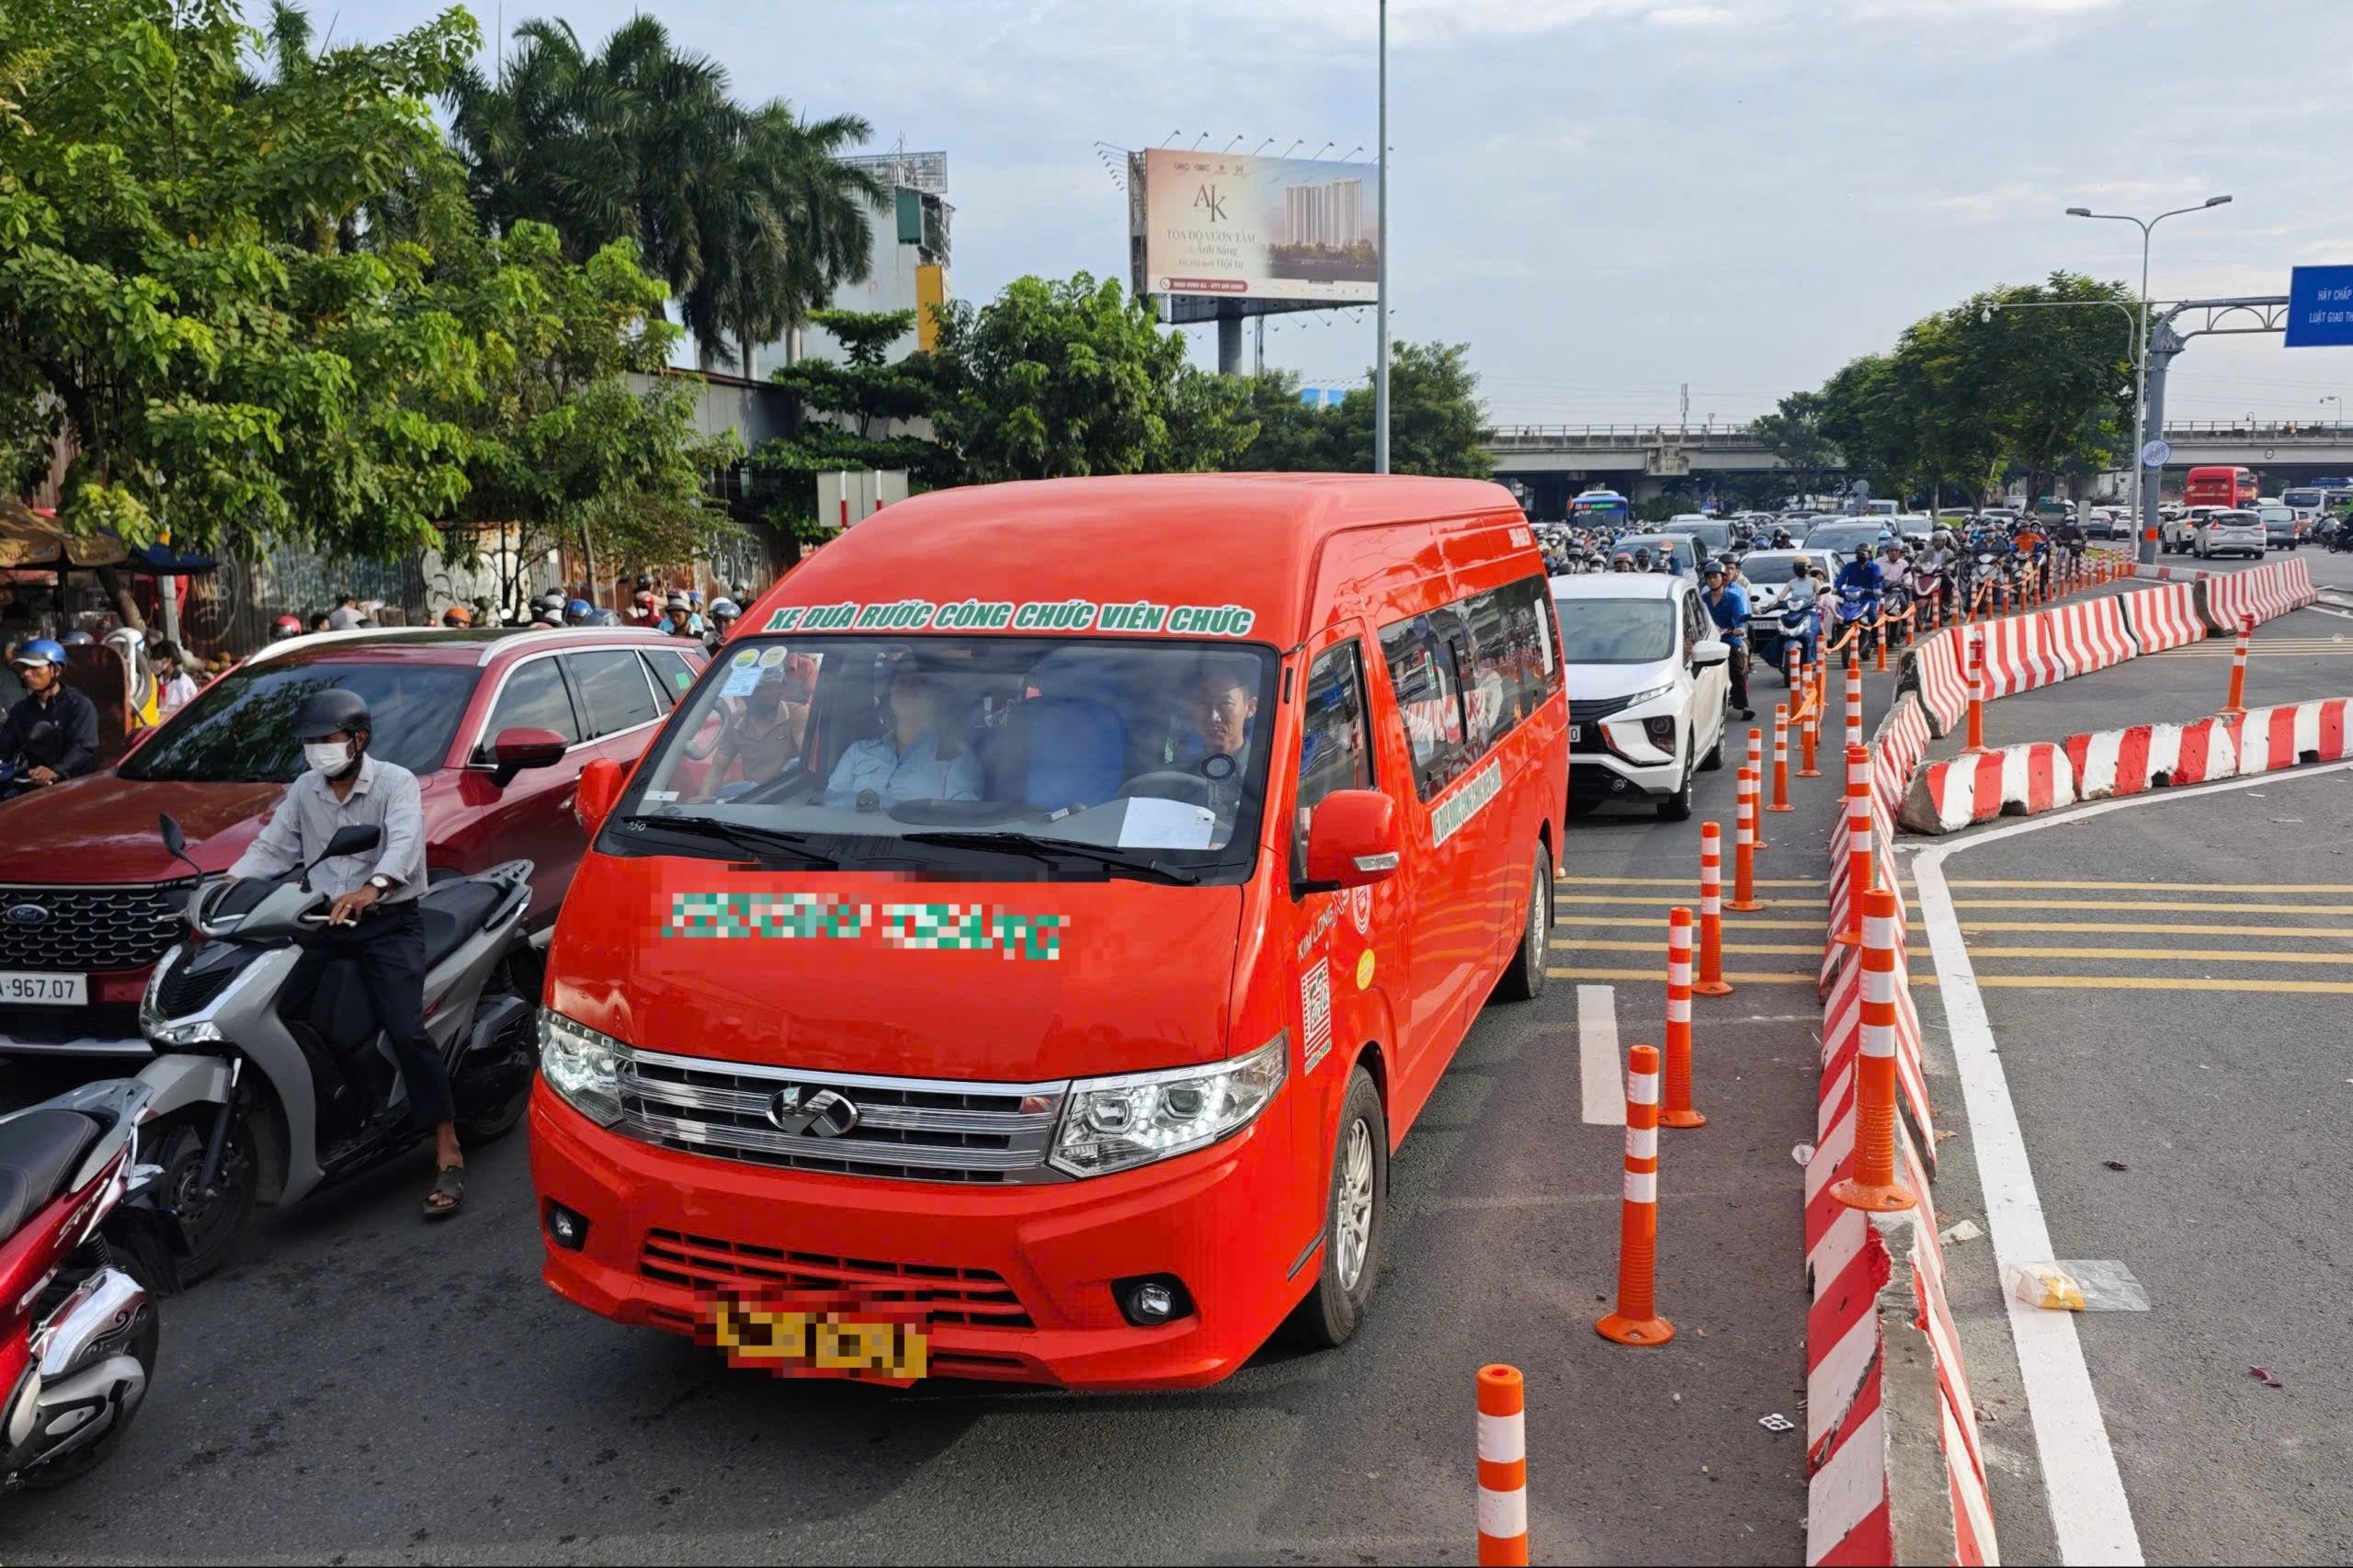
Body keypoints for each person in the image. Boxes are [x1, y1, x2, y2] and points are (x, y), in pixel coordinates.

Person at [225, 689, 462, 1219]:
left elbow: (404, 843)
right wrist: (229, 884)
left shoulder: (395, 783)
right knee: (276, 1013)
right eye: (309, 744)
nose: (316, 753)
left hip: (388, 924)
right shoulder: (306, 790)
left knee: (407, 1031)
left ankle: (446, 1145)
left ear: (359, 740)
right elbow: (274, 849)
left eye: (326, 742)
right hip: (323, 924)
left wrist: (372, 888)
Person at [825, 659, 981, 805]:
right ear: (891, 690)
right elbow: (831, 809)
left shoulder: (956, 756)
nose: (907, 690)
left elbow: (960, 819)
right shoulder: (857, 752)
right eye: (901, 682)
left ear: (937, 695)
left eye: (919, 683)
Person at [1, 639, 99, 788]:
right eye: (24, 668)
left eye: (35, 668)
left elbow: (84, 748)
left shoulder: (78, 705)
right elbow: (5, 747)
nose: (26, 674)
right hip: (29, 786)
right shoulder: (20, 710)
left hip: (71, 787)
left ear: (56, 670)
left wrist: (55, 771)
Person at [698, 669, 805, 797]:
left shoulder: (795, 714)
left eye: (762, 691)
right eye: (750, 692)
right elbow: (718, 768)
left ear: (779, 691)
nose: (751, 697)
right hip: (753, 798)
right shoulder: (735, 722)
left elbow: (806, 757)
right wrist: (703, 797)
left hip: (787, 795)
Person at [1699, 562, 1756, 722]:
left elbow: (1740, 619)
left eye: (1715, 577)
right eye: (1709, 577)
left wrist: (1738, 628)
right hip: (1709, 640)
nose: (1712, 580)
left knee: (1736, 670)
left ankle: (1744, 707)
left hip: (1730, 638)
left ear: (1723, 578)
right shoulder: (1703, 599)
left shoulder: (1734, 597)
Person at [151, 639, 200, 718]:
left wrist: (164, 717)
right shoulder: (159, 680)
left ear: (168, 660)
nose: (153, 662)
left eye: (157, 659)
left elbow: (188, 712)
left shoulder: (183, 682)